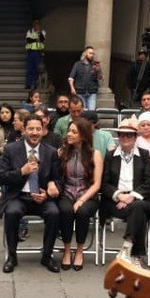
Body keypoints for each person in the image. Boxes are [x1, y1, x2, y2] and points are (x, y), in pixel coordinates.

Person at [0, 114, 62, 274]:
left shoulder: (51, 152)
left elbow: (59, 179)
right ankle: (12, 256)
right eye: (31, 129)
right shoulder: (11, 149)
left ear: (43, 130)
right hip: (18, 195)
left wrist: (48, 191)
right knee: (12, 212)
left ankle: (47, 255)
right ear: (24, 130)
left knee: (54, 213)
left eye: (38, 129)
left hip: (41, 197)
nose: (34, 133)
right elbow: (0, 177)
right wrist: (21, 172)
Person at [100, 117, 150, 268]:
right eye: (122, 135)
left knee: (139, 207)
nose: (125, 138)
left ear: (135, 138)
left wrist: (131, 196)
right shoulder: (110, 156)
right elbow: (104, 184)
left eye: (129, 135)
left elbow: (148, 182)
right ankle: (135, 255)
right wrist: (119, 195)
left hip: (137, 198)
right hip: (114, 203)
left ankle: (127, 246)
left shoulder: (144, 155)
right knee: (140, 210)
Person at [56, 117, 102, 272]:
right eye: (69, 131)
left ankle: (80, 250)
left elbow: (97, 184)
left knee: (82, 212)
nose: (69, 134)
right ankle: (67, 249)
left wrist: (82, 200)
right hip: (66, 192)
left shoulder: (95, 154)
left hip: (87, 194)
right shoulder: (62, 152)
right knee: (66, 211)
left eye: (74, 132)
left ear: (83, 135)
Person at [67, 46, 101, 111]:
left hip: (92, 92)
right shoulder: (78, 64)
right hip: (80, 92)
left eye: (93, 54)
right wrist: (72, 88)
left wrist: (98, 71)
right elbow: (71, 78)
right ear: (85, 53)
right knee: (81, 111)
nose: (92, 55)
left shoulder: (96, 65)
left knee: (91, 111)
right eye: (90, 53)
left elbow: (100, 78)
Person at [24, 19, 46, 90]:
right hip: (30, 52)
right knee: (30, 68)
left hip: (38, 52)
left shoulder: (42, 32)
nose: (36, 26)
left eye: (38, 24)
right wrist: (36, 39)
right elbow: (28, 40)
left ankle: (35, 84)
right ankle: (28, 84)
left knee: (37, 69)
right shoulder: (29, 32)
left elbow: (42, 39)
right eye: (35, 24)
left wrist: (39, 33)